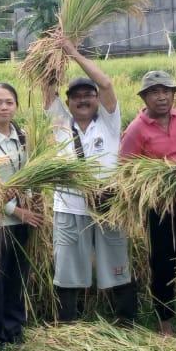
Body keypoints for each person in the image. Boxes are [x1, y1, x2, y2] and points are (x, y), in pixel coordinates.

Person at [45, 40, 135, 324]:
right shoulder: (59, 122)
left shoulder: (109, 122)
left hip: (107, 207)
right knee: (68, 271)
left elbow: (106, 83)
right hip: (69, 209)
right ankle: (68, 327)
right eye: (76, 96)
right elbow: (47, 88)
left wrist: (72, 52)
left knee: (118, 266)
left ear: (96, 99)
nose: (83, 100)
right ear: (68, 101)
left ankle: (125, 324)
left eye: (88, 95)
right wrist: (53, 53)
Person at [120, 70, 176, 335]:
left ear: (173, 95)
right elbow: (126, 169)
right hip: (159, 208)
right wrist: (159, 177)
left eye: (166, 91)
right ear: (145, 97)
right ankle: (165, 322)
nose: (161, 97)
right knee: (163, 264)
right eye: (155, 92)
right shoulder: (136, 129)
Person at [0, 82, 44, 346]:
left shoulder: (23, 137)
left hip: (22, 222)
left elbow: (31, 176)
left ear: (16, 106)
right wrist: (18, 211)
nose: (4, 107)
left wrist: (34, 205)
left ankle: (14, 331)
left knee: (17, 278)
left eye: (9, 102)